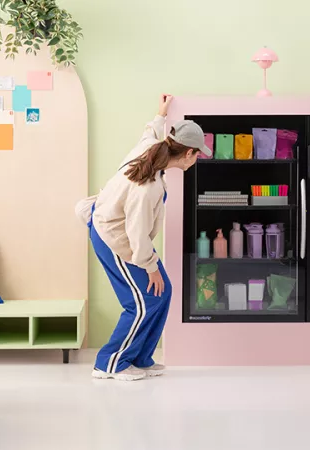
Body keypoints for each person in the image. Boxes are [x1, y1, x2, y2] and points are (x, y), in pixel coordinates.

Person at [75, 95, 211, 381]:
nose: (198, 159)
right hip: (114, 238)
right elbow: (136, 232)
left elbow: (148, 133)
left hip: (127, 236)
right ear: (187, 154)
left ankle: (140, 358)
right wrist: (150, 266)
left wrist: (160, 115)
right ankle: (110, 364)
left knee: (163, 292)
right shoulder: (147, 187)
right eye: (198, 153)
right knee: (142, 302)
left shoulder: (152, 150)